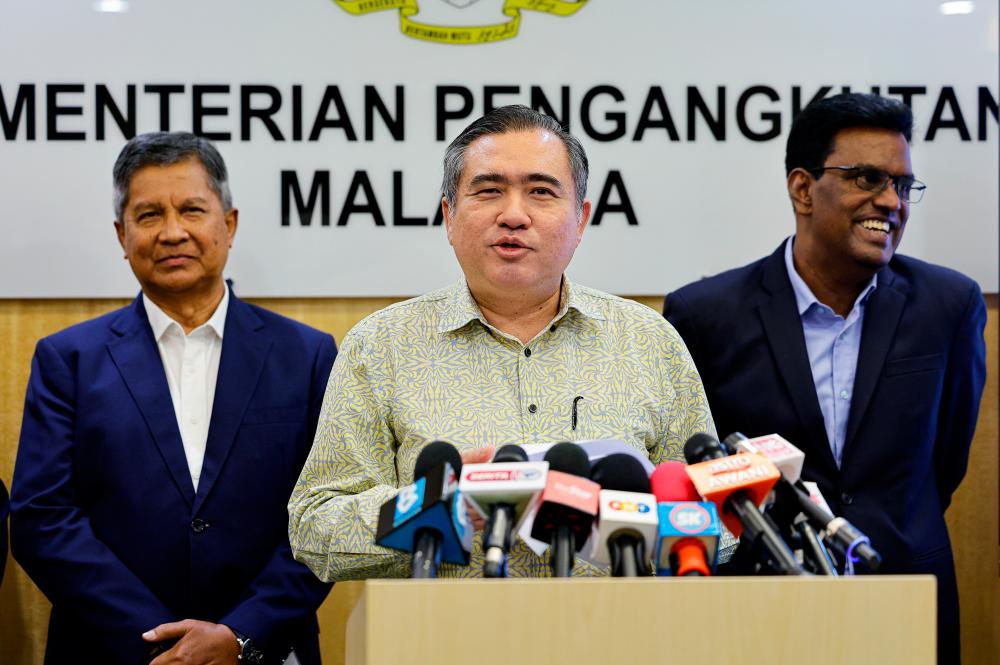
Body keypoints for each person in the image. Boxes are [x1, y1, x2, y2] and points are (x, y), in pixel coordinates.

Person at [288, 105, 717, 580]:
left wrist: (628, 520)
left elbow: (720, 528)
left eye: (540, 192)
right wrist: (434, 507)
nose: (514, 215)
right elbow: (314, 529)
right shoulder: (381, 345)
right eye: (489, 191)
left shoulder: (650, 342)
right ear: (449, 216)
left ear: (581, 219)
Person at [663, 92, 986, 664]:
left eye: (903, 185)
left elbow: (945, 465)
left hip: (907, 592)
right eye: (866, 178)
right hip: (761, 606)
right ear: (803, 189)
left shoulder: (948, 306)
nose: (890, 201)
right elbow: (703, 472)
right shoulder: (706, 316)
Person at [10, 132, 338, 665]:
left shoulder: (306, 356)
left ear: (228, 225)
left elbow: (326, 515)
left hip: (262, 651)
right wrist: (157, 639)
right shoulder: (67, 360)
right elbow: (41, 519)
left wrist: (239, 635)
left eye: (191, 209)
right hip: (111, 651)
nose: (172, 232)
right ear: (122, 234)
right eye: (148, 215)